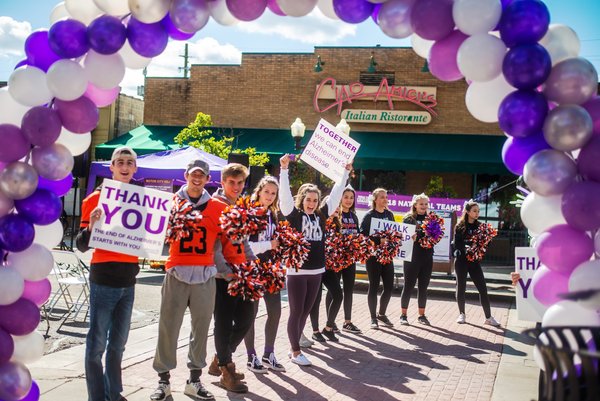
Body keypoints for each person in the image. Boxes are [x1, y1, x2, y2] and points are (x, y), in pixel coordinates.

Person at [150, 159, 221, 401]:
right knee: (168, 326)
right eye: (193, 174)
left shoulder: (218, 207)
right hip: (177, 272)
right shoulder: (169, 203)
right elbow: (151, 231)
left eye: (202, 175)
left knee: (201, 328)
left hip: (204, 275)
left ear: (208, 179)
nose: (197, 178)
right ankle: (163, 381)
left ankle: (194, 380)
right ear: (185, 175)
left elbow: (229, 241)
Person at [76, 146, 140, 401]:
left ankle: (114, 393)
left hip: (129, 281)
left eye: (129, 162)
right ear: (111, 168)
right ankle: (96, 396)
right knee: (97, 345)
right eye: (119, 162)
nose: (124, 166)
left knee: (118, 346)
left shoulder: (144, 200)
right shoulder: (93, 199)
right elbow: (81, 245)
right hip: (103, 280)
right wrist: (91, 225)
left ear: (134, 169)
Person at [279, 154, 350, 366]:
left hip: (317, 270)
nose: (311, 203)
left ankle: (296, 345)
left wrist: (345, 172)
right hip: (297, 271)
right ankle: (295, 351)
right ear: (302, 200)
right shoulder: (293, 214)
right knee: (296, 310)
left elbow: (336, 194)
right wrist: (284, 171)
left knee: (306, 310)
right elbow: (284, 197)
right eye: (308, 199)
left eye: (315, 200)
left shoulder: (321, 216)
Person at [207, 163, 256, 393]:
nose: (236, 187)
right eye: (231, 182)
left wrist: (255, 265)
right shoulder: (215, 206)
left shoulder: (240, 206)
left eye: (240, 183)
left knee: (247, 317)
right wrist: (227, 274)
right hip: (222, 276)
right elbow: (214, 247)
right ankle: (226, 371)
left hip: (242, 274)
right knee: (224, 323)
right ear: (222, 182)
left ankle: (220, 358)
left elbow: (243, 243)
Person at [243, 176, 286, 374]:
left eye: (273, 193)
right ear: (259, 191)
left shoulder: (272, 215)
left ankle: (269, 353)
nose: (269, 196)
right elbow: (245, 246)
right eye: (266, 191)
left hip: (270, 269)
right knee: (250, 314)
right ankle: (251, 355)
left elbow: (275, 241)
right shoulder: (249, 212)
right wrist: (269, 245)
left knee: (275, 312)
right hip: (252, 268)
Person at [454, 200, 501, 326]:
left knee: (483, 289)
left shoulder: (481, 227)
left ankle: (488, 317)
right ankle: (462, 314)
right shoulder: (460, 227)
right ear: (468, 212)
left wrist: (485, 242)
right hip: (461, 261)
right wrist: (465, 249)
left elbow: (486, 243)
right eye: (474, 211)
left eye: (478, 211)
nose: (477, 213)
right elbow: (457, 244)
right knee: (461, 287)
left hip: (474, 262)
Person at [360, 188, 396, 330]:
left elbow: (396, 233)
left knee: (389, 287)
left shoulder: (389, 214)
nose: (385, 199)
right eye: (382, 197)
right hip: (373, 257)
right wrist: (376, 240)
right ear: (375, 199)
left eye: (386, 197)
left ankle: (381, 314)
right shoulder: (369, 216)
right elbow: (362, 236)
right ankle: (373, 318)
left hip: (387, 256)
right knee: (373, 286)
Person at [328, 186, 362, 334]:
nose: (348, 200)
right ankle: (331, 321)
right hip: (336, 259)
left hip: (350, 259)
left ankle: (347, 322)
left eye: (351, 197)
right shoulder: (335, 214)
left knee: (349, 290)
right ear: (340, 198)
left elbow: (358, 236)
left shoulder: (354, 216)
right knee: (333, 290)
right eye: (346, 197)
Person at [308, 201, 343, 342]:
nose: (336, 208)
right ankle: (315, 331)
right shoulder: (319, 221)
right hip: (316, 266)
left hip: (329, 268)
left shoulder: (338, 225)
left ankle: (328, 328)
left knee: (338, 295)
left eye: (337, 206)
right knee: (316, 299)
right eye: (332, 205)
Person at [399, 193, 434, 326]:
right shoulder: (408, 218)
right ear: (415, 205)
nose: (424, 206)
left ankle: (422, 315)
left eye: (426, 204)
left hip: (427, 256)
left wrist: (423, 237)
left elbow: (435, 237)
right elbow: (405, 237)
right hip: (411, 257)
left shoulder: (432, 219)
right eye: (421, 204)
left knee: (423, 287)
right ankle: (403, 315)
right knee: (408, 286)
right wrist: (412, 237)